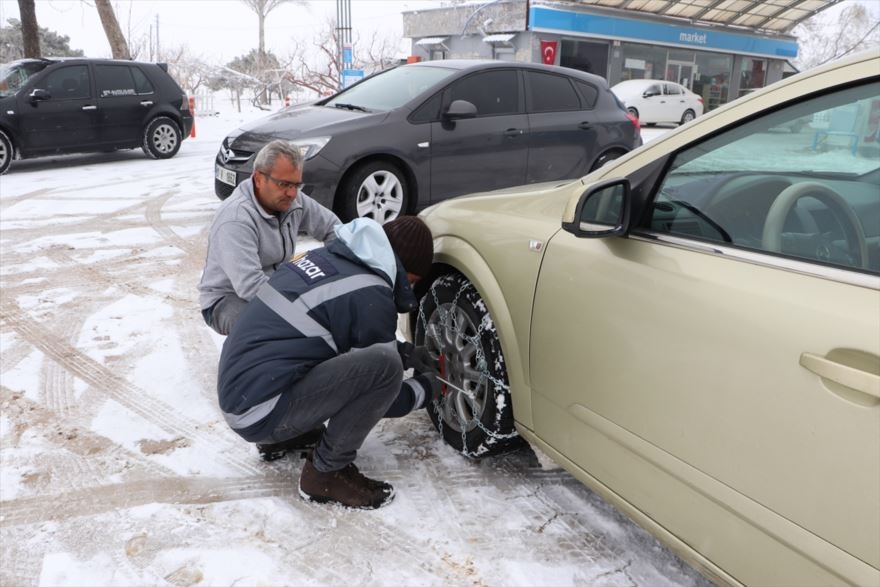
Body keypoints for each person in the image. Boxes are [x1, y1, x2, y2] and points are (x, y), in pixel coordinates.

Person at [216, 216, 441, 509]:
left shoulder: (327, 259)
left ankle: (285, 436)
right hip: (261, 412)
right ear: (407, 273)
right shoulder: (372, 294)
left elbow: (341, 332)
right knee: (386, 367)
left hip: (240, 395)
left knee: (381, 359)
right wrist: (425, 389)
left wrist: (407, 352)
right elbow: (384, 392)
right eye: (412, 283)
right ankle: (326, 474)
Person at [198, 139, 340, 337]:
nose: (291, 193)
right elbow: (250, 286)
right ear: (258, 179)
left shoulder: (292, 200)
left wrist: (337, 270)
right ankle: (250, 365)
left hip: (276, 284)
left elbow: (334, 229)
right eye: (283, 184)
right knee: (286, 330)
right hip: (227, 299)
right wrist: (300, 307)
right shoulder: (236, 218)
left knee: (324, 315)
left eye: (296, 185)